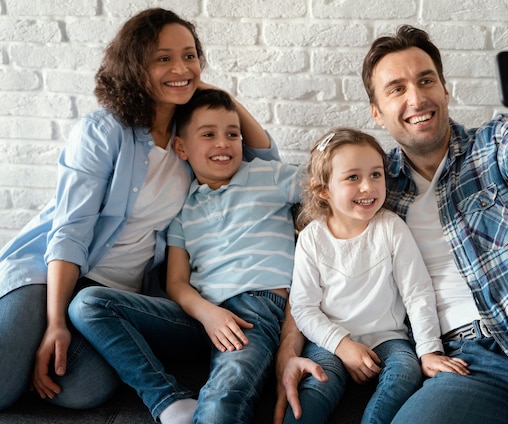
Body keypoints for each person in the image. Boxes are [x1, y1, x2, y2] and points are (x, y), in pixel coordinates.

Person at [275, 25, 508, 424]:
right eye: (396, 89)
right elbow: (317, 264)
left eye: (426, 81)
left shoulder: (494, 146)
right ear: (376, 111)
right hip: (468, 368)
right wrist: (287, 353)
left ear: (445, 91)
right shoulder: (372, 186)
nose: (416, 97)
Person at [0, 7, 278, 420]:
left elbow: (262, 156)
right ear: (134, 66)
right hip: (49, 277)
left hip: (112, 298)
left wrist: (211, 91)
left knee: (82, 391)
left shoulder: (188, 140)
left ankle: (36, 353)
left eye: (189, 56)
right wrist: (55, 321)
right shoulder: (104, 130)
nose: (180, 67)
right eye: (163, 58)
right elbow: (70, 232)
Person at [69, 88, 302, 424]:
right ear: (181, 148)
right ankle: (168, 401)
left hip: (254, 311)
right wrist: (208, 315)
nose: (223, 143)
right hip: (198, 316)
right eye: (208, 135)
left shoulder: (269, 175)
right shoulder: (183, 208)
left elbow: (329, 183)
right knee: (88, 304)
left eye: (232, 135)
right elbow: (176, 284)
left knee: (222, 400)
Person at [284, 128, 469, 424]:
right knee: (318, 384)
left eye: (376, 175)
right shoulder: (312, 238)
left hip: (387, 337)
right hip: (329, 342)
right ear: (323, 190)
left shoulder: (391, 227)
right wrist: (342, 345)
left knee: (405, 372)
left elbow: (417, 293)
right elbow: (304, 308)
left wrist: (429, 350)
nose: (368, 187)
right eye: (353, 178)